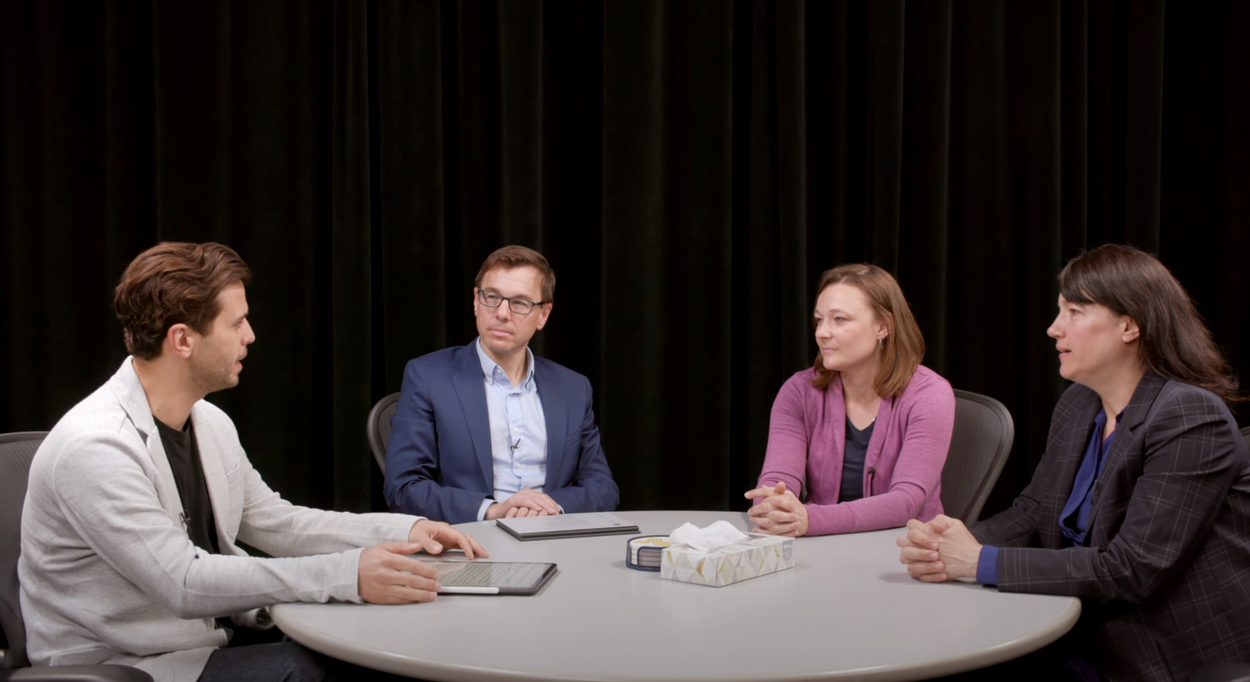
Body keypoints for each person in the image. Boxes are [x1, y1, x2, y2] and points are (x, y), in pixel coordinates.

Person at [19, 242, 487, 682]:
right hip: (131, 665)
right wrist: (347, 574)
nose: (251, 335)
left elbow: (275, 523)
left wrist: (403, 531)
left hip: (213, 636)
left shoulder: (208, 421)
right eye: (236, 323)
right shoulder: (95, 448)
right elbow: (183, 581)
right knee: (333, 671)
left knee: (389, 638)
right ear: (183, 340)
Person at [898, 245, 1250, 682]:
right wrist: (943, 544)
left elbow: (1130, 570)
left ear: (1129, 324)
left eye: (1075, 312)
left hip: (1164, 649)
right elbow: (1033, 512)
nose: (1053, 329)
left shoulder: (1190, 417)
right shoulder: (1080, 403)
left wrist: (977, 561)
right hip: (1077, 621)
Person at [383, 245, 619, 524]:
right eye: (492, 297)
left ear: (543, 315)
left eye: (520, 303)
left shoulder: (573, 388)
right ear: (475, 301)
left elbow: (603, 488)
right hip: (471, 541)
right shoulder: (428, 376)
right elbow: (404, 488)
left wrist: (548, 506)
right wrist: (493, 511)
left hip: (555, 537)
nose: (502, 313)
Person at [745, 264, 955, 536]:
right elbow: (777, 478)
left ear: (883, 326)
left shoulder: (930, 394)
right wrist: (773, 505)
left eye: (839, 319)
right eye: (819, 319)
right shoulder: (798, 391)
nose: (822, 332)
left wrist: (810, 519)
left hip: (904, 552)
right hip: (820, 548)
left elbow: (905, 503)